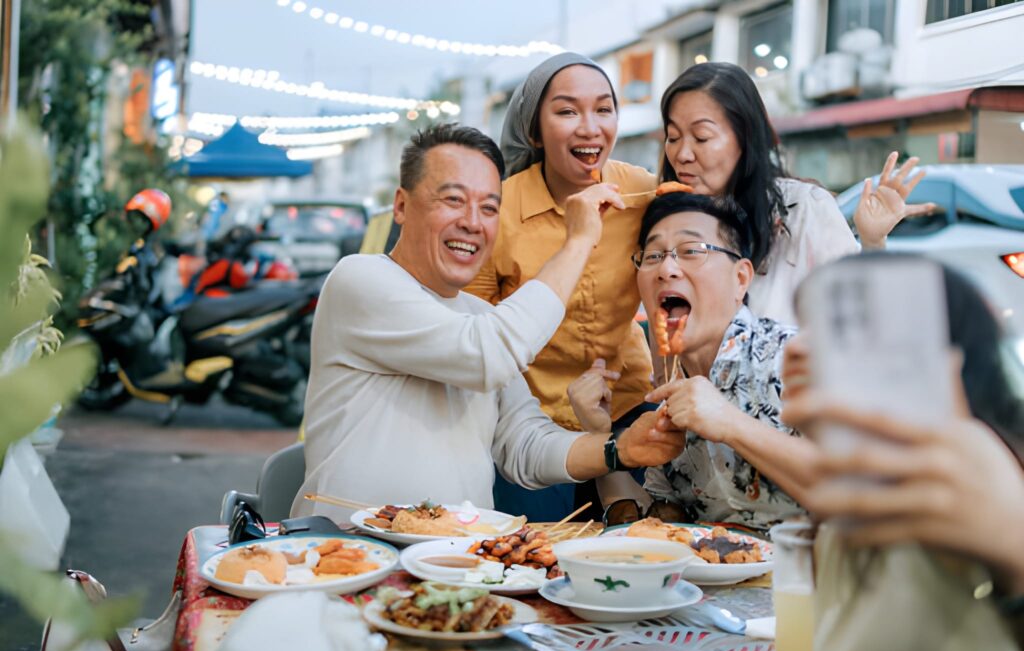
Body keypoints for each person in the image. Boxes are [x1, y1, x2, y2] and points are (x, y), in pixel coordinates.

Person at [290, 124, 686, 520]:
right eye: (453, 200)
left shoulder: (481, 318)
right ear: (401, 206)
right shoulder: (360, 280)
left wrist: (620, 449)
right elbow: (488, 353)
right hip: (352, 556)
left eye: (489, 208)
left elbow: (524, 444)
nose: (472, 222)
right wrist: (579, 240)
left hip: (456, 565)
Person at [780, 252, 1024, 647]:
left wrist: (1016, 555)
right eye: (804, 327)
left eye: (840, 330)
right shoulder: (857, 497)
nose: (794, 349)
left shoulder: (984, 487)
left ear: (945, 358)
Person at [464, 52, 657, 520]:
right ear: (534, 130)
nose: (590, 127)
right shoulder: (500, 211)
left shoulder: (642, 193)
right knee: (532, 561)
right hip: (532, 426)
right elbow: (472, 332)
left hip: (629, 408)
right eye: (567, 111)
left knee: (636, 556)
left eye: (604, 109)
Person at [573, 190, 820, 531]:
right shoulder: (672, 392)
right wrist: (600, 435)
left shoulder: (798, 357)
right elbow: (658, 520)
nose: (667, 269)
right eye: (653, 255)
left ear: (740, 279)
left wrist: (730, 422)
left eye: (691, 251)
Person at [659, 61, 931, 325]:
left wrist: (872, 243)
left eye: (702, 137)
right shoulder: (666, 220)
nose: (682, 155)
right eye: (673, 137)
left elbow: (858, 313)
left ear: (746, 137)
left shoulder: (802, 208)